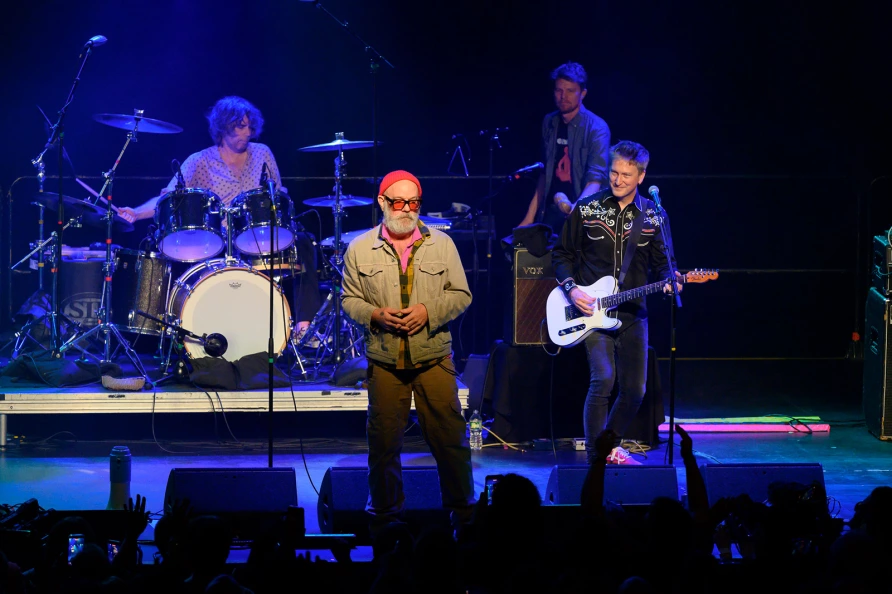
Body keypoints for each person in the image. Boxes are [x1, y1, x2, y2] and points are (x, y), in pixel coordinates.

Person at [340, 169, 475, 537]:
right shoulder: (359, 248)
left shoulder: (442, 244)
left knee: (450, 443)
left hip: (432, 358)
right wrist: (375, 315)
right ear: (382, 202)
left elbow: (462, 295)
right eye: (399, 202)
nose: (407, 210)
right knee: (383, 447)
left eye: (413, 203)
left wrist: (428, 312)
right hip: (385, 362)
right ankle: (386, 522)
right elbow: (349, 300)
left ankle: (464, 518)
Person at [118, 96, 320, 335]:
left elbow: (278, 193)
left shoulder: (263, 153)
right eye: (240, 126)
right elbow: (168, 197)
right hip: (223, 238)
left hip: (259, 232)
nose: (247, 132)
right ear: (223, 128)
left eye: (249, 126)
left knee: (304, 241)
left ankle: (305, 325)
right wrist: (136, 212)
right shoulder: (200, 160)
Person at [551, 140, 680, 464]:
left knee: (635, 390)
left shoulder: (654, 215)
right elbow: (562, 254)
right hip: (591, 311)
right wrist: (572, 289)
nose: (618, 179)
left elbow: (666, 266)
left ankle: (610, 444)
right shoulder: (587, 208)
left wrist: (671, 283)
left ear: (641, 176)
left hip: (634, 314)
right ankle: (598, 455)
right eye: (613, 172)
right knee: (604, 378)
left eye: (626, 174)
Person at [518, 61, 611, 233]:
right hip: (553, 212)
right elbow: (545, 174)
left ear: (582, 93)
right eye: (559, 90)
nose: (563, 96)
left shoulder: (597, 128)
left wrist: (577, 209)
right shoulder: (549, 122)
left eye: (570, 91)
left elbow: (595, 179)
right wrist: (528, 218)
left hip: (585, 213)